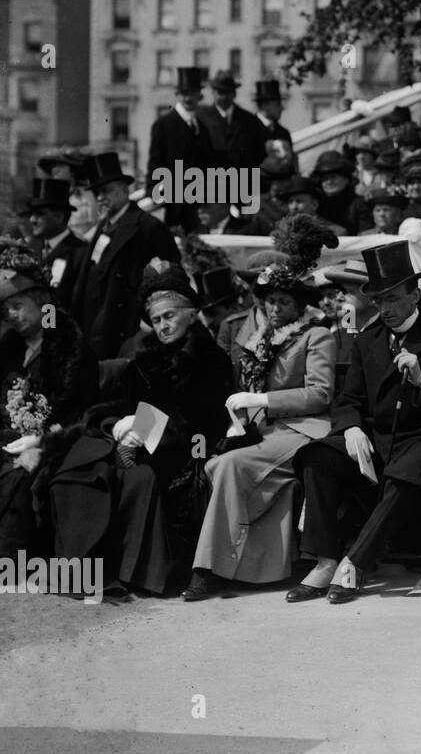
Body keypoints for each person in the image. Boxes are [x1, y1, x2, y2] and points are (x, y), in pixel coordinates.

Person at [290, 242, 421, 604]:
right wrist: (352, 427)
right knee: (317, 456)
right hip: (375, 440)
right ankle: (325, 561)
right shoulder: (368, 341)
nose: (385, 309)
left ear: (414, 294)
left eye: (392, 298)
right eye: (378, 301)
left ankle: (355, 564)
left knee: (408, 470)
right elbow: (347, 399)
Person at [50, 266, 233, 597]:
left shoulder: (209, 359)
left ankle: (144, 572)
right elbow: (119, 402)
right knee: (88, 471)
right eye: (157, 319)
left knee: (138, 477)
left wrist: (145, 427)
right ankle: (84, 569)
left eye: (170, 316)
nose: (163, 325)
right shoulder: (145, 359)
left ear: (192, 315)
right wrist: (116, 422)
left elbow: (201, 421)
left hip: (193, 446)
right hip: (140, 443)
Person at [183, 217, 339, 600]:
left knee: (232, 466)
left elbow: (320, 395)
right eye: (269, 301)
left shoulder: (317, 336)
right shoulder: (259, 337)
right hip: (267, 431)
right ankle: (251, 566)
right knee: (215, 463)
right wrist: (241, 420)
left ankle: (208, 569)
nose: (274, 308)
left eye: (284, 301)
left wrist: (263, 401)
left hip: (305, 429)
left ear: (300, 305)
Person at [0, 247, 97, 562]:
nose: (11, 316)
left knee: (19, 475)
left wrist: (41, 440)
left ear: (42, 303)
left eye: (17, 305)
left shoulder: (66, 341)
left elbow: (72, 406)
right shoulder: (10, 347)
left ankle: (13, 562)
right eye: (6, 311)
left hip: (59, 437)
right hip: (12, 436)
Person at [69, 152, 181, 360]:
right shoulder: (102, 227)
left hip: (125, 334)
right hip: (93, 330)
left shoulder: (149, 227)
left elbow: (168, 281)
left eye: (106, 191)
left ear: (123, 190)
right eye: (97, 193)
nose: (101, 198)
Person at [146, 66, 212, 231]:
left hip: (199, 203)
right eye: (184, 93)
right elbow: (155, 162)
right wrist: (153, 190)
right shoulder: (163, 124)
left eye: (192, 93)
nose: (188, 98)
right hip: (174, 205)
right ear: (177, 95)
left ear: (200, 96)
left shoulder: (202, 128)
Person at [24, 177, 88, 311]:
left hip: (61, 328)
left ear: (58, 217)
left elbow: (77, 303)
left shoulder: (81, 253)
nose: (32, 219)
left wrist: (49, 325)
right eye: (31, 214)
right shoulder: (29, 249)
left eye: (39, 214)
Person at [197, 70, 264, 171]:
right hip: (212, 181)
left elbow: (257, 153)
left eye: (227, 92)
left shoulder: (249, 120)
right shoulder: (201, 118)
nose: (224, 97)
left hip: (241, 182)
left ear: (234, 93)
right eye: (220, 92)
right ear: (213, 93)